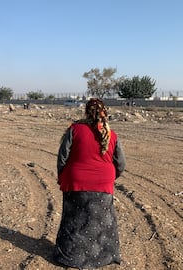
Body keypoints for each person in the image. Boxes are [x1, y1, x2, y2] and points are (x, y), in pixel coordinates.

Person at [53, 98, 126, 269]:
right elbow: (121, 164)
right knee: (102, 222)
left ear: (86, 112)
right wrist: (108, 177)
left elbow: (62, 156)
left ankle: (70, 257)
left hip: (75, 180)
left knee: (73, 220)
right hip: (104, 183)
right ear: (104, 112)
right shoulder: (112, 135)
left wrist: (61, 175)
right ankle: (104, 257)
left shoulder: (74, 129)